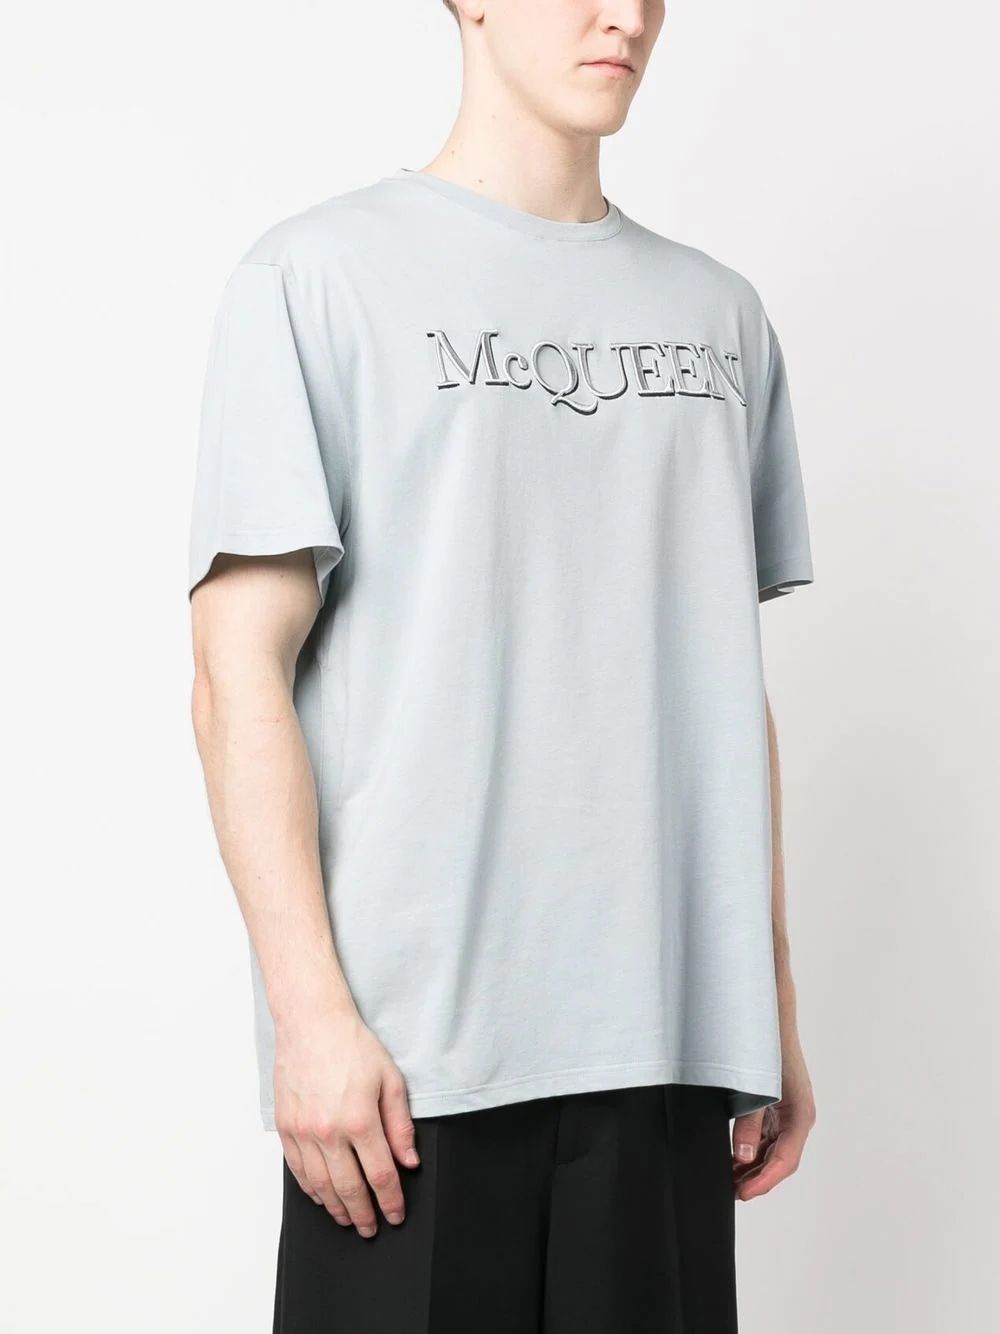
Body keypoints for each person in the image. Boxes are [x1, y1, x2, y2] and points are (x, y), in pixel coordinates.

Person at [187, 0, 818, 1328]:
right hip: (407, 1074)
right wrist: (309, 1015)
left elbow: (720, 677)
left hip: (668, 1046)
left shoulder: (722, 316)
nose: (624, 16)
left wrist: (768, 1003)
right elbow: (238, 664)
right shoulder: (316, 277)